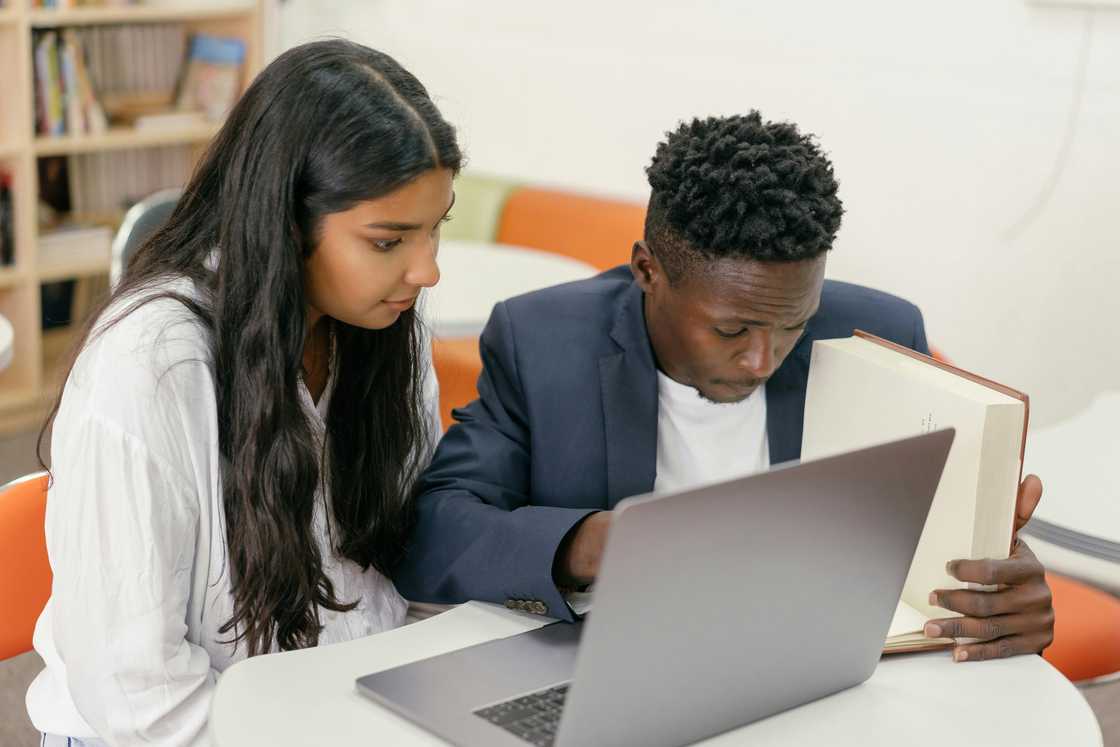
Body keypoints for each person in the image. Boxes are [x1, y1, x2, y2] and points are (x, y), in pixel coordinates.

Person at [395, 112, 1054, 663]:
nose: (761, 359)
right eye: (731, 328)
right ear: (647, 270)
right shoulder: (543, 340)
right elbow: (435, 535)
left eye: (793, 321)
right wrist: (594, 542)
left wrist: (994, 585)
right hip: (617, 675)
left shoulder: (875, 335)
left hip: (820, 681)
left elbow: (919, 551)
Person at [26, 39, 460, 745]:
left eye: (436, 228)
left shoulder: (380, 332)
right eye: (389, 240)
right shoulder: (148, 367)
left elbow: (407, 564)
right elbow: (141, 700)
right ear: (287, 223)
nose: (427, 270)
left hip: (338, 716)